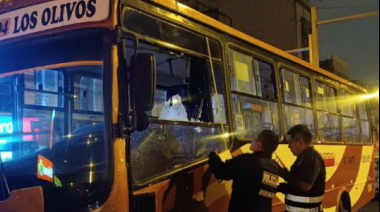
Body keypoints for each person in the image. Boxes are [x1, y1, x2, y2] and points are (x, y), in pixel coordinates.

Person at [208, 130, 281, 212]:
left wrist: (213, 156)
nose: (252, 141)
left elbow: (221, 172)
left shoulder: (247, 160)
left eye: (254, 139)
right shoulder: (274, 167)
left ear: (259, 145)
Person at [279, 125, 326, 212]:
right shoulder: (304, 157)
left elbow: (305, 186)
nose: (289, 146)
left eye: (290, 142)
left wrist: (286, 175)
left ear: (300, 142)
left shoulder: (311, 157)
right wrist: (286, 187)